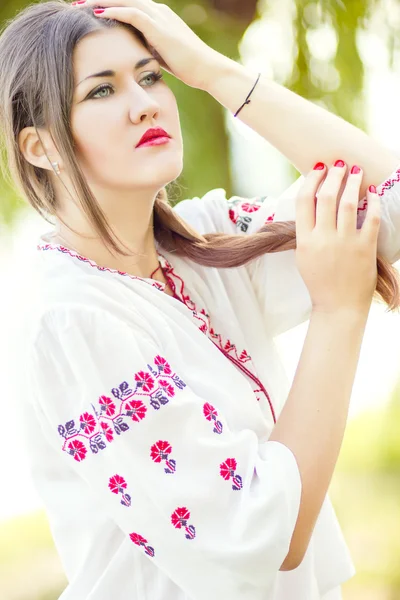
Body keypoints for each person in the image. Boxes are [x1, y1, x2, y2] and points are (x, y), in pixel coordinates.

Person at [1, 0, 400, 598]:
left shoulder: (204, 244)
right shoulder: (75, 321)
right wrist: (336, 314)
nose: (146, 104)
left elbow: (387, 199)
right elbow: (263, 535)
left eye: (152, 75)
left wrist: (215, 72)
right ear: (40, 146)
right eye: (102, 92)